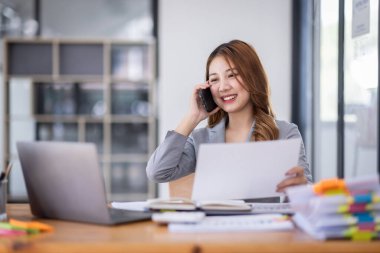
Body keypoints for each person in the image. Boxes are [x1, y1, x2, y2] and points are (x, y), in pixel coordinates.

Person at [146, 39, 312, 194]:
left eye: (232, 75)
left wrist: (302, 188)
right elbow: (157, 172)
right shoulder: (201, 140)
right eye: (214, 80)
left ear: (253, 77)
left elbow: (307, 194)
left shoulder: (285, 133)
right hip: (215, 224)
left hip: (265, 224)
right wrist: (192, 117)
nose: (223, 87)